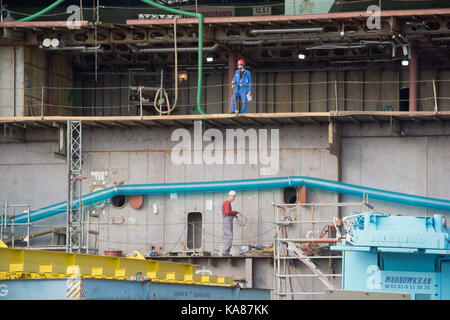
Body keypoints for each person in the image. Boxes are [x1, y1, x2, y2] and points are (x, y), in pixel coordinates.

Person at [222, 190, 238, 256]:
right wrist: (234, 212)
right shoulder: (227, 203)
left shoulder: (226, 203)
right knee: (229, 236)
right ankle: (225, 252)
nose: (234, 198)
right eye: (233, 196)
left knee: (228, 236)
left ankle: (226, 252)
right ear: (230, 196)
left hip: (227, 220)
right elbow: (227, 212)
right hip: (227, 220)